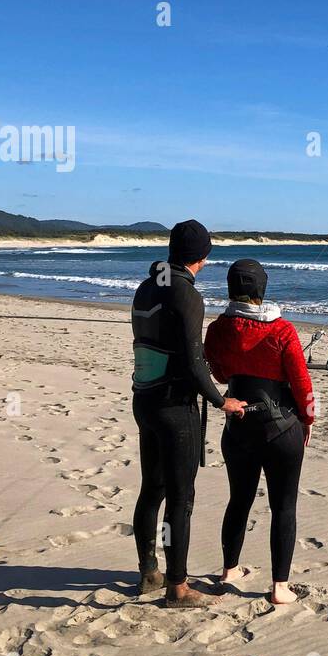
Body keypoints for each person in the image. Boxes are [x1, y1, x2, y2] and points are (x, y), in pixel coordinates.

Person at [131, 220, 247, 608]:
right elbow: (195, 362)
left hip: (144, 400)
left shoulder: (147, 287)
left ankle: (149, 571)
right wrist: (221, 400)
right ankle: (177, 587)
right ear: (203, 257)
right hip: (174, 407)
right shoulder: (186, 294)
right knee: (181, 498)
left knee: (152, 489)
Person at [204, 259, 315, 605]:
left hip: (239, 428)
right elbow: (301, 382)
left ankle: (229, 570)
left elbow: (221, 376)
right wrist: (308, 420)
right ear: (261, 290)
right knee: (284, 506)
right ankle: (280, 586)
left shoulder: (218, 329)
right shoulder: (282, 330)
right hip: (282, 428)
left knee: (239, 499)